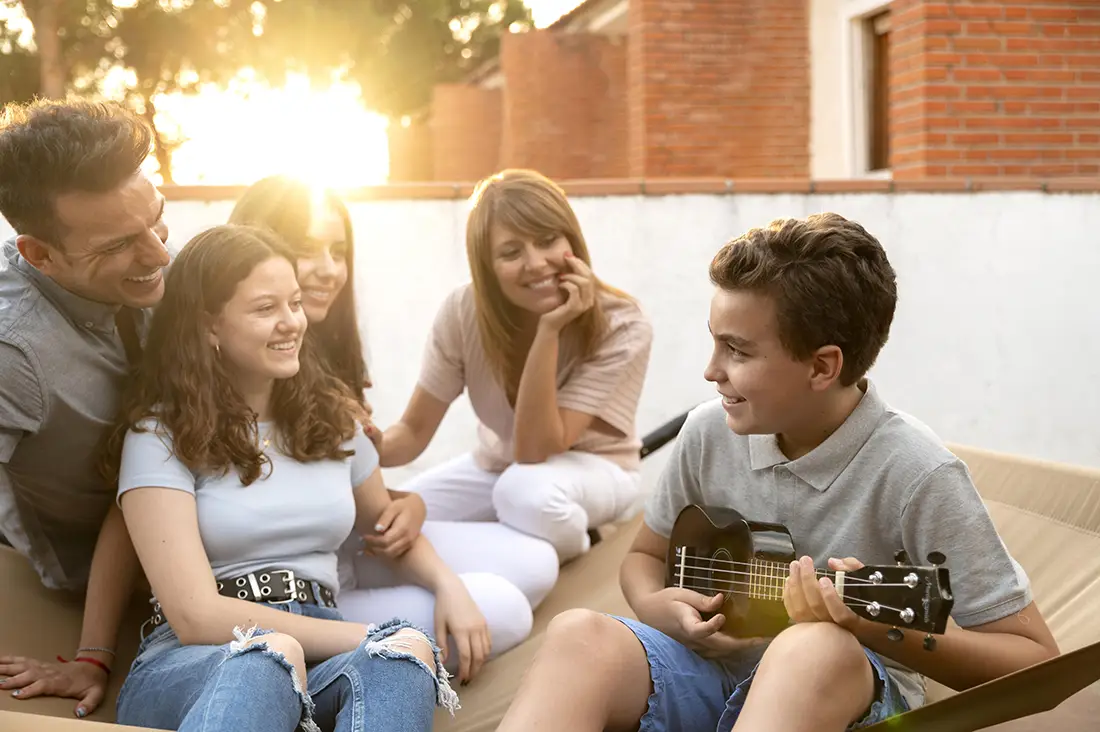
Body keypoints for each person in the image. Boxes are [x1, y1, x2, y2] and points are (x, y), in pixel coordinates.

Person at [496, 213, 1061, 732]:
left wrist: (866, 627)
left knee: (811, 646)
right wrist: (652, 605)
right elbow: (646, 556)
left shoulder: (919, 474)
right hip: (715, 678)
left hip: (846, 701)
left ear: (822, 366)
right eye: (714, 342)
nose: (710, 369)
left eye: (736, 351)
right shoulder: (709, 431)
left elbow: (1035, 661)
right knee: (578, 634)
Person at [106, 223, 471, 731]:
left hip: (321, 644)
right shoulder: (159, 434)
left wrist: (446, 585)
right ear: (209, 326)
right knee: (269, 656)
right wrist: (366, 634)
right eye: (265, 308)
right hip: (195, 661)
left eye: (294, 303)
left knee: (403, 652)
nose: (291, 322)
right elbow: (194, 616)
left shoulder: (334, 421)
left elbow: (387, 524)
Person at [228, 175, 547, 666]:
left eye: (338, 250)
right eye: (307, 249)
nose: (329, 269)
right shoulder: (236, 372)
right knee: (502, 608)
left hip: (349, 548)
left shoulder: (326, 363)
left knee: (536, 565)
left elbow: (350, 487)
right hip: (302, 590)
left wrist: (410, 504)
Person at [373, 169, 653, 570]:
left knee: (524, 494)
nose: (536, 264)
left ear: (571, 241)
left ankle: (578, 554)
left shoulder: (623, 324)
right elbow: (413, 433)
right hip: (497, 467)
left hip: (596, 471)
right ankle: (512, 558)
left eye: (546, 241)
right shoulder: (462, 313)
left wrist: (550, 329)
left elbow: (537, 448)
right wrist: (355, 440)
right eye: (510, 252)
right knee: (384, 523)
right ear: (486, 266)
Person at [0, 99, 169, 714]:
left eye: (158, 220)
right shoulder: (11, 352)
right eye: (121, 244)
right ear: (39, 253)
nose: (159, 255)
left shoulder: (151, 272)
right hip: (77, 595)